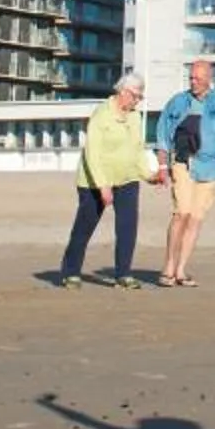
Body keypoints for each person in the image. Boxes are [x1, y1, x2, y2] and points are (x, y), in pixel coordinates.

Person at [153, 58, 215, 287]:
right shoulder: (178, 103)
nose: (193, 82)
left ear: (209, 79)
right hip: (183, 163)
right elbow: (162, 136)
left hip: (210, 168)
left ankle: (181, 270)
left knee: (196, 219)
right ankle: (168, 266)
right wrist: (162, 167)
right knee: (181, 213)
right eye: (191, 78)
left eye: (197, 78)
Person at [59, 70, 151, 288]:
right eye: (136, 96)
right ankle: (70, 272)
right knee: (84, 228)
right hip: (94, 182)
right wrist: (103, 186)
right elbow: (93, 153)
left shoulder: (135, 117)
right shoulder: (102, 114)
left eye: (140, 97)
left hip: (127, 179)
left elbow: (137, 150)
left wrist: (149, 175)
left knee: (128, 227)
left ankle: (123, 274)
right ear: (123, 92)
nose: (138, 101)